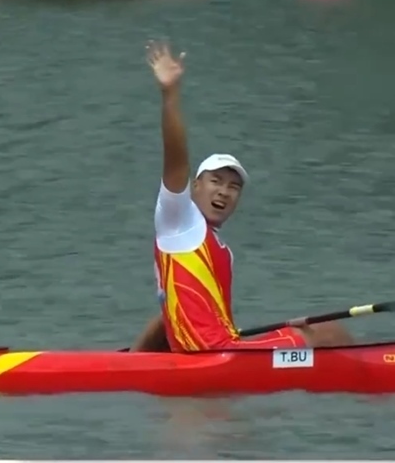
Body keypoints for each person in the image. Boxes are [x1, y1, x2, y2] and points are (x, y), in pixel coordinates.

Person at [130, 41, 355, 353]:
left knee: (309, 330)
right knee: (328, 332)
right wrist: (170, 95)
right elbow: (176, 159)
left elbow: (165, 315)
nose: (224, 191)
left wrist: (133, 361)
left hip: (220, 349)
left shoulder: (208, 248)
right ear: (195, 186)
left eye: (234, 187)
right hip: (214, 354)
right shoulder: (178, 220)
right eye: (216, 181)